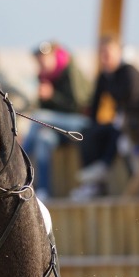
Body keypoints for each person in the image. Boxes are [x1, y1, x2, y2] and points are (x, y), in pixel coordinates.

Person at [70, 35, 139, 199]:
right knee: (89, 132)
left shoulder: (129, 72)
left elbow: (137, 101)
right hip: (118, 121)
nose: (105, 57)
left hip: (137, 122)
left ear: (118, 53)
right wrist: (94, 125)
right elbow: (95, 105)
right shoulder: (105, 76)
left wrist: (121, 117)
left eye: (108, 53)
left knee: (118, 134)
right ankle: (93, 184)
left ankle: (104, 168)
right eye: (102, 53)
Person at [21, 41, 91, 200]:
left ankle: (20, 160)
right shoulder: (43, 76)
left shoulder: (69, 70)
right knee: (43, 139)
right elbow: (46, 108)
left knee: (39, 117)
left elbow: (77, 105)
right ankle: (44, 192)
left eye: (44, 58)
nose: (42, 62)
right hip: (59, 129)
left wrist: (52, 95)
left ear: (53, 55)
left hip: (81, 124)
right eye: (39, 59)